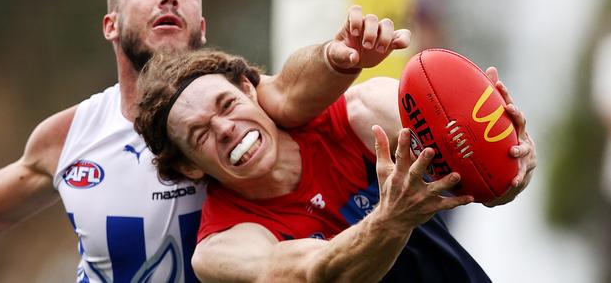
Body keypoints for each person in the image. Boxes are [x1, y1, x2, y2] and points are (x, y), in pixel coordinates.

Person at [0, 0, 411, 283]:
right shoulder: (69, 137)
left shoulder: (249, 109)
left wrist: (336, 56)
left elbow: (297, 87)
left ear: (201, 24)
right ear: (110, 25)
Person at [134, 49, 537, 282]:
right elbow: (316, 275)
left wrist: (510, 162)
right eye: (200, 134)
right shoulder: (221, 247)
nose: (225, 129)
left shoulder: (362, 116)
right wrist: (391, 219)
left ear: (249, 91)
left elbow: (487, 186)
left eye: (227, 106)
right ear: (189, 167)